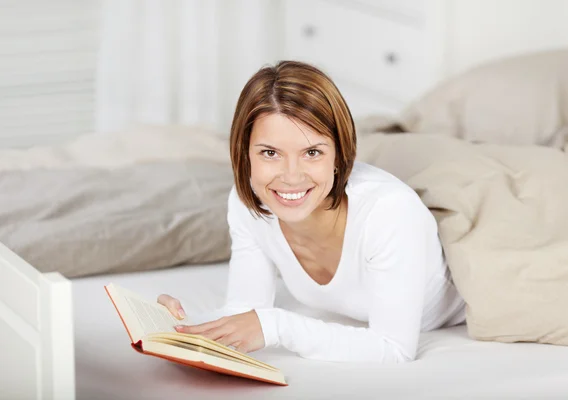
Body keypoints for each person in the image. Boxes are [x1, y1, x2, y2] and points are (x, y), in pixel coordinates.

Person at [157, 60, 465, 363]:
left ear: (339, 154)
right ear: (244, 154)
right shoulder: (246, 203)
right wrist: (181, 324)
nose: (291, 176)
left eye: (312, 152)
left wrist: (277, 326)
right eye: (270, 153)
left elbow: (393, 348)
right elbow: (244, 311)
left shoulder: (389, 211)